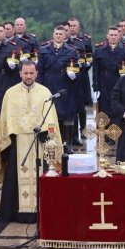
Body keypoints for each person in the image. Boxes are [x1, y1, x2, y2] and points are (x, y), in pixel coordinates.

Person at [0, 61, 62, 223]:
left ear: (36, 73)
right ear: (20, 74)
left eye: (31, 73)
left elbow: (52, 120)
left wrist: (50, 139)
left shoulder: (45, 92)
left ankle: (41, 212)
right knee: (14, 178)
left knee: (42, 174)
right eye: (25, 73)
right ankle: (14, 213)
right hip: (17, 143)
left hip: (40, 142)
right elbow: (5, 121)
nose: (28, 76)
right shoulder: (10, 93)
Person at [37, 26, 80, 154]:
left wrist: (74, 75)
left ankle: (67, 143)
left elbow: (76, 69)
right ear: (53, 35)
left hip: (65, 85)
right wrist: (39, 86)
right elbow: (40, 70)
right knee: (50, 114)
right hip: (48, 83)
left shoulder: (72, 51)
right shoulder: (44, 50)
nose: (58, 36)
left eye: (61, 34)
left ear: (65, 36)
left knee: (67, 115)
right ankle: (52, 141)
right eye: (56, 33)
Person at [92, 26, 125, 119]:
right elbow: (96, 71)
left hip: (120, 84)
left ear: (119, 36)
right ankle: (105, 133)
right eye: (111, 35)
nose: (113, 37)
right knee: (104, 113)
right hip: (104, 86)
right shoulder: (99, 51)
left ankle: (120, 132)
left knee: (119, 112)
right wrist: (95, 88)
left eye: (115, 35)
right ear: (107, 36)